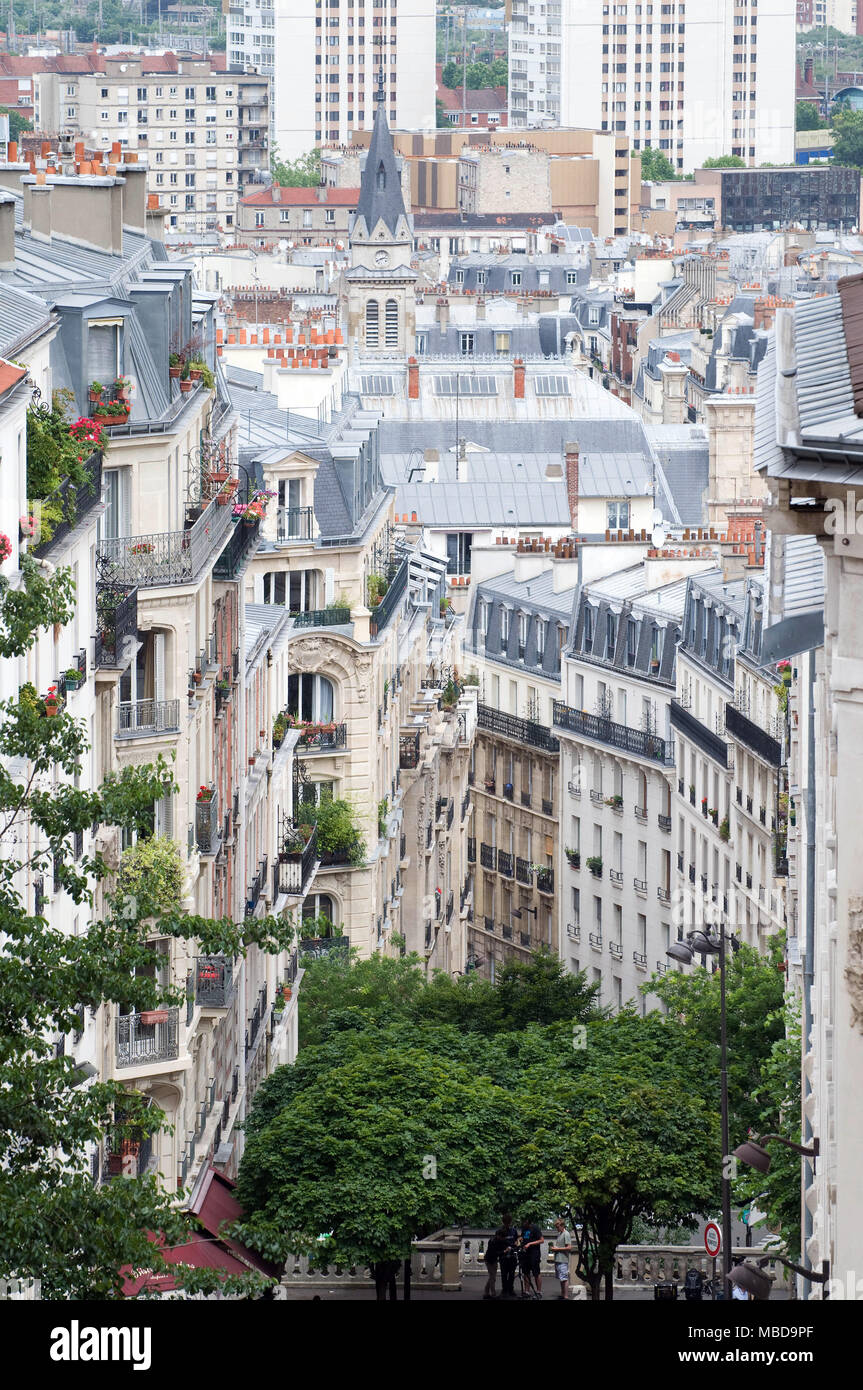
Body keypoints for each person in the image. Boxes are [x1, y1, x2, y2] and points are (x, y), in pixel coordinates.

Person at [518, 1217, 544, 1300]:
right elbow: (522, 1238)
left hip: (534, 1254)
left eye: (524, 1221)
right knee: (526, 1273)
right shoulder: (524, 1228)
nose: (523, 1223)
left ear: (528, 1221)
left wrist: (530, 1244)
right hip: (525, 1254)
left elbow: (542, 1240)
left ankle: (539, 1292)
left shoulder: (535, 1228)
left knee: (536, 1273)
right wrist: (520, 1239)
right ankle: (527, 1291)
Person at [550, 1218, 573, 1300]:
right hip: (558, 1259)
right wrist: (555, 1248)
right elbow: (561, 1246)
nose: (557, 1228)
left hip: (563, 1259)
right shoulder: (560, 1234)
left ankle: (566, 1296)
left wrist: (557, 1249)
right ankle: (563, 1294)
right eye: (556, 1227)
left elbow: (569, 1247)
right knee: (561, 1278)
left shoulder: (566, 1234)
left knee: (564, 1278)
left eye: (558, 1226)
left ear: (562, 1225)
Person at [482, 1227, 508, 1300]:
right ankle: (493, 1295)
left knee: (492, 1277)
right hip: (489, 1260)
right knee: (492, 1278)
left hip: (494, 1260)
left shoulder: (500, 1240)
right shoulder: (492, 1241)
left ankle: (486, 1293)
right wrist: (504, 1251)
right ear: (499, 1235)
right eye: (503, 1237)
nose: (504, 1239)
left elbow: (506, 1243)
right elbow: (495, 1253)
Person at [498, 1213, 519, 1299]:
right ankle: (504, 1289)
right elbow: (497, 1243)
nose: (508, 1224)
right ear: (503, 1222)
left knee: (511, 1274)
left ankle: (510, 1289)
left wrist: (516, 1243)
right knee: (503, 1274)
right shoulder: (499, 1231)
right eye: (506, 1222)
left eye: (509, 1223)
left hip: (512, 1255)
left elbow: (517, 1240)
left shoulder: (514, 1231)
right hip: (503, 1255)